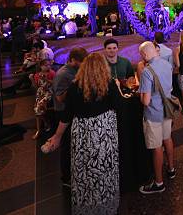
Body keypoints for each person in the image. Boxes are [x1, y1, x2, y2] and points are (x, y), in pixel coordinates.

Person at [44, 53, 122, 215]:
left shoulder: (75, 86)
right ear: (103, 68)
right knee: (104, 167)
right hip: (103, 132)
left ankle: (85, 206)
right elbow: (118, 105)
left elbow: (66, 115)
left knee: (83, 168)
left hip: (82, 132)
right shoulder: (109, 84)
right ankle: (106, 204)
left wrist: (57, 136)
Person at [138, 41, 176, 194]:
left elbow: (146, 101)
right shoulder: (167, 64)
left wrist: (140, 95)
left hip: (154, 114)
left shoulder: (148, 71)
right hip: (167, 110)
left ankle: (159, 183)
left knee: (157, 147)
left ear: (145, 55)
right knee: (168, 138)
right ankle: (171, 169)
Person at [52, 47, 88, 187]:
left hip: (73, 112)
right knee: (66, 145)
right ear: (72, 60)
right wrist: (75, 87)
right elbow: (60, 98)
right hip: (63, 112)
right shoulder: (62, 74)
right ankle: (66, 177)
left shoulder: (76, 70)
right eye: (80, 62)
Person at [31, 58, 55, 139]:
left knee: (38, 108)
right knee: (37, 108)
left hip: (48, 92)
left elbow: (54, 83)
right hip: (40, 92)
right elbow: (36, 86)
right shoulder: (37, 75)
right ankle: (46, 123)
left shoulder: (51, 73)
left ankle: (39, 130)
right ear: (41, 66)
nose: (48, 67)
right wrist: (32, 80)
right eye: (46, 65)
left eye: (49, 65)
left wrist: (46, 79)